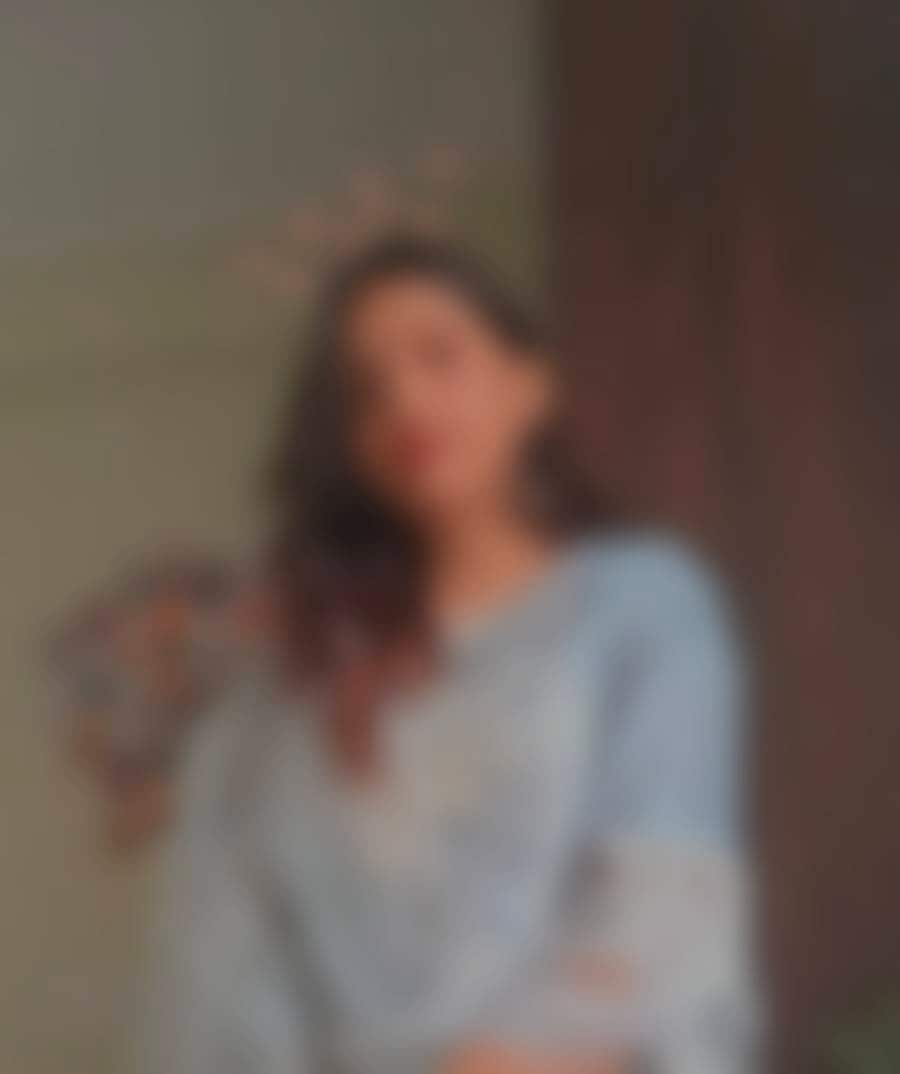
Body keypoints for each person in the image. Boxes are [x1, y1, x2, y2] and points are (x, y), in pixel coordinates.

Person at [60, 234, 761, 1072]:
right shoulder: (292, 698)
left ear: (529, 384)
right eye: (368, 386)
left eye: (440, 355)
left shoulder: (638, 605)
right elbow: (230, 978)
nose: (407, 398)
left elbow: (660, 911)